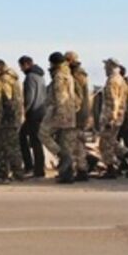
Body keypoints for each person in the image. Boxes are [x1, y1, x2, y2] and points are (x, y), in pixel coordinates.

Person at [44, 52, 81, 184]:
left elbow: (60, 97)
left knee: (43, 134)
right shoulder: (68, 75)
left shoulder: (59, 76)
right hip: (69, 113)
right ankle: (67, 174)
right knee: (65, 144)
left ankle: (63, 158)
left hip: (61, 113)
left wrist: (59, 113)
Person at [0, 59, 26, 183]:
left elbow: (6, 100)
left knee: (8, 147)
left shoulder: (4, 80)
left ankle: (12, 173)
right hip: (15, 116)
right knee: (13, 146)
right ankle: (17, 172)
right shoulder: (13, 78)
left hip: (8, 118)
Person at [97, 58, 128, 179]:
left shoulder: (112, 81)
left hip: (111, 117)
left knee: (105, 143)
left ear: (111, 66)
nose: (104, 69)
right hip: (119, 116)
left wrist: (110, 118)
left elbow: (113, 101)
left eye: (106, 66)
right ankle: (127, 157)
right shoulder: (121, 80)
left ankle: (111, 167)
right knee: (111, 141)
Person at [17, 55, 47, 178]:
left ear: (26, 65)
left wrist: (24, 111)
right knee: (35, 141)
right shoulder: (40, 77)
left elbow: (29, 97)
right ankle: (37, 168)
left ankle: (33, 167)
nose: (21, 69)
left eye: (21, 66)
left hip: (33, 113)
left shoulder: (30, 78)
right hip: (41, 112)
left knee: (29, 139)